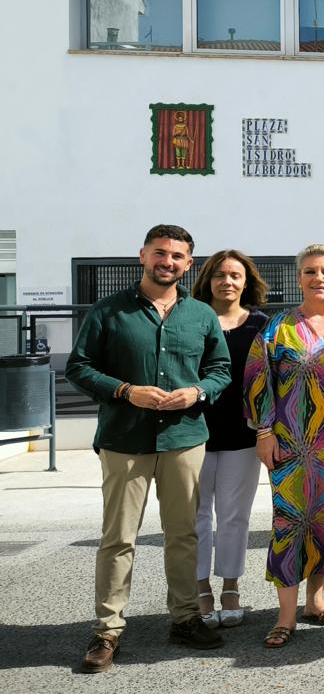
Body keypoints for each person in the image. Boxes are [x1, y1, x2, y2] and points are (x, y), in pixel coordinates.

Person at [67, 224, 231, 671]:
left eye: (178, 256)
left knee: (183, 534)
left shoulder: (200, 315)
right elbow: (78, 367)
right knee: (118, 537)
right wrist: (124, 390)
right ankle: (108, 629)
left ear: (188, 264)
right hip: (126, 439)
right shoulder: (108, 311)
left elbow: (220, 369)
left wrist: (197, 392)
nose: (168, 262)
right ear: (142, 255)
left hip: (184, 439)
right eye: (160, 253)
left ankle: (184, 619)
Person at [246, 244, 324, 648]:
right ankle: (285, 616)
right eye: (309, 271)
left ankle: (316, 601)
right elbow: (257, 379)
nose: (318, 278)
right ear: (298, 278)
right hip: (290, 443)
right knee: (289, 524)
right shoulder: (277, 327)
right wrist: (263, 431)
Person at [192, 248, 270, 630]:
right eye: (220, 275)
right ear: (207, 279)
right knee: (197, 516)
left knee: (234, 517)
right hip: (192, 432)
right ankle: (200, 588)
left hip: (243, 434)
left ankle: (231, 586)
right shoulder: (189, 318)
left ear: (246, 282)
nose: (227, 281)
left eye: (235, 275)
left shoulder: (260, 324)